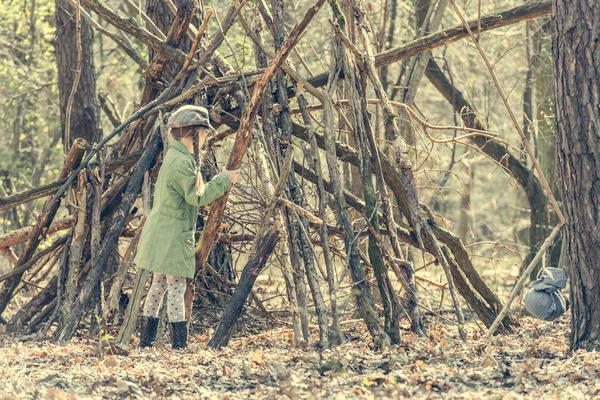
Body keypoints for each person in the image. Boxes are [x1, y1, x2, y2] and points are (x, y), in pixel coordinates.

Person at [134, 105, 240, 350]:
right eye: (202, 134)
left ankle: (146, 342)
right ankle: (178, 346)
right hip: (171, 235)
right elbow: (197, 197)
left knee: (158, 286)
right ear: (191, 133)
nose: (204, 140)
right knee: (176, 287)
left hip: (163, 232)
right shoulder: (182, 162)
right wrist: (225, 180)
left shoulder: (175, 157)